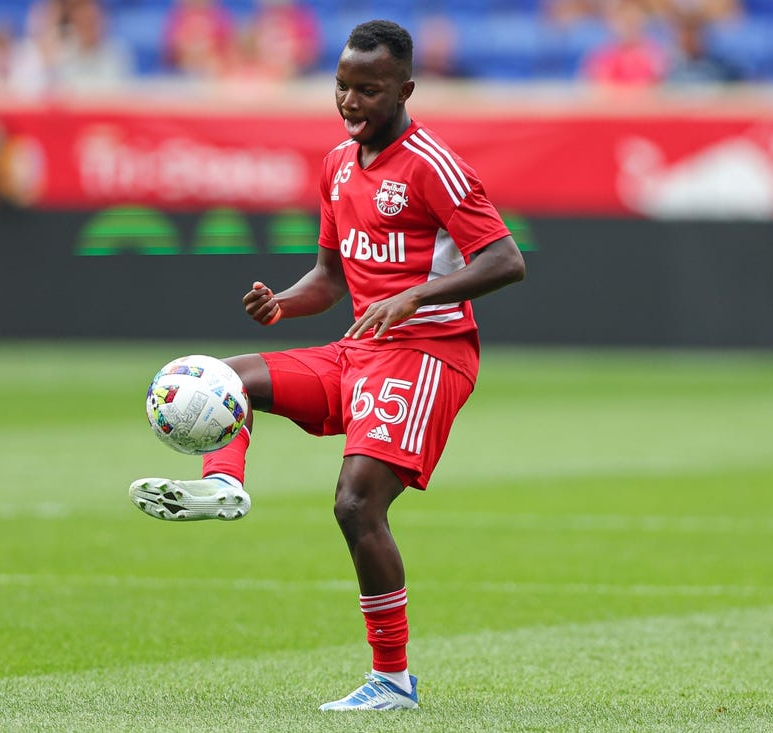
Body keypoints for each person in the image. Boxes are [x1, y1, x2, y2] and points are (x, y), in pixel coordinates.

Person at [129, 19, 525, 711]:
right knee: (224, 378)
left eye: (367, 91)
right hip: (360, 350)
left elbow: (505, 259)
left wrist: (414, 297)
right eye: (342, 86)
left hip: (429, 354)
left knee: (355, 503)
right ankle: (224, 485)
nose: (350, 102)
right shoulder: (337, 165)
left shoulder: (432, 163)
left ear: (403, 88)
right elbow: (330, 276)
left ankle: (394, 681)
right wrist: (281, 303)